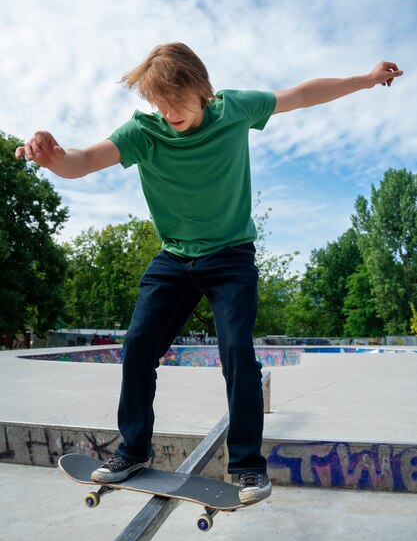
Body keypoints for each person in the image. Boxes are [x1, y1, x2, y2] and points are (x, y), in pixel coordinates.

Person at [15, 43, 403, 504]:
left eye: (175, 101)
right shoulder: (143, 131)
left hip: (230, 257)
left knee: (237, 350)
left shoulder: (235, 108)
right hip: (174, 260)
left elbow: (301, 94)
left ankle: (247, 467)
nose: (168, 112)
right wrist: (51, 155)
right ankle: (133, 450)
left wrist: (366, 77)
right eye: (158, 103)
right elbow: (82, 161)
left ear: (201, 89)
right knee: (138, 345)